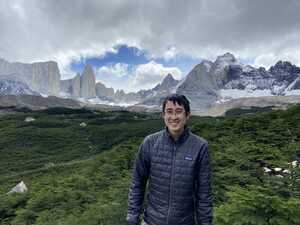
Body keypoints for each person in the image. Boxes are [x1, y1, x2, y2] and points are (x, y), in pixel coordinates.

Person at [127, 94, 213, 225]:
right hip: (151, 221)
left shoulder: (200, 146)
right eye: (169, 112)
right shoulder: (149, 142)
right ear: (163, 115)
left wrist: (205, 223)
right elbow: (138, 183)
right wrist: (132, 217)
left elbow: (204, 193)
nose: (173, 117)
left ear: (187, 115)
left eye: (179, 112)